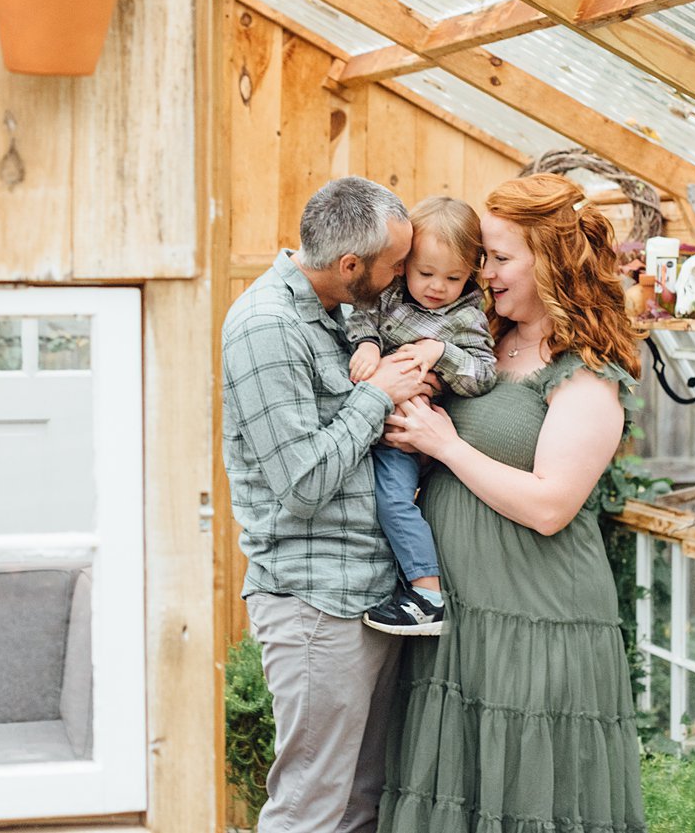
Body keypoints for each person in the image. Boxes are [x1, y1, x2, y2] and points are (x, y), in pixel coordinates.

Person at [377, 173, 647, 833]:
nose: (484, 271)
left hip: (536, 623)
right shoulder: (486, 341)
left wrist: (443, 443)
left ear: (549, 261)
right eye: (485, 256)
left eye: (500, 257)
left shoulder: (585, 372)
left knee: (525, 801)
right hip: (465, 622)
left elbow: (552, 503)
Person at [222, 176, 433, 833]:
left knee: (359, 805)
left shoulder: (343, 310)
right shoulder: (265, 326)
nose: (401, 276)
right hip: (315, 602)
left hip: (369, 595)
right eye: (395, 265)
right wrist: (379, 396)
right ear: (351, 266)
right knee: (309, 809)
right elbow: (303, 482)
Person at [346, 196, 496, 637]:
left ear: (472, 270)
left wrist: (441, 353)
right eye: (425, 273)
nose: (436, 287)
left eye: (453, 276)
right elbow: (360, 318)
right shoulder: (389, 295)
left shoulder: (466, 317)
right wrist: (368, 345)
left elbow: (483, 375)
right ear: (404, 264)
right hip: (364, 422)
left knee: (393, 501)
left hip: (404, 430)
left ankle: (427, 595)